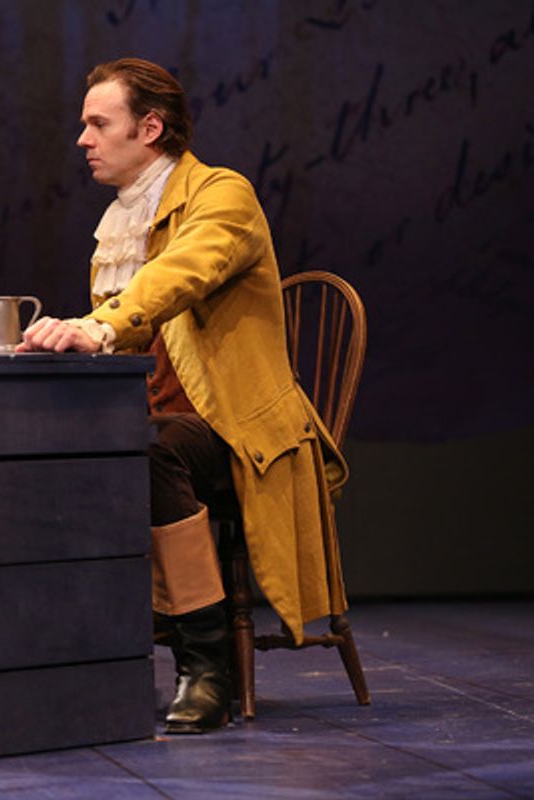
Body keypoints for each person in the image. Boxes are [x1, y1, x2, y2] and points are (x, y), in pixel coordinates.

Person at [19, 59, 348, 733]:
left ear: (150, 128)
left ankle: (205, 666)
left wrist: (97, 326)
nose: (83, 139)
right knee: (63, 449)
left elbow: (180, 273)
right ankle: (78, 653)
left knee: (152, 450)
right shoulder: (121, 221)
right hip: (160, 421)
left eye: (98, 124)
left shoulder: (222, 195)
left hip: (236, 428)